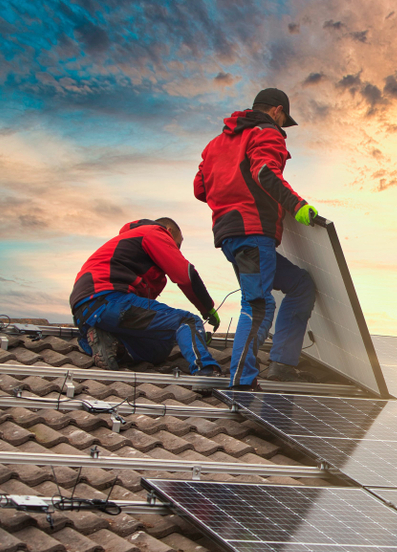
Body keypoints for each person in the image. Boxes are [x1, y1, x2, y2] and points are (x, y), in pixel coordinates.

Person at [194, 88, 319, 389]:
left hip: (229, 235)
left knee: (301, 285)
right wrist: (297, 205)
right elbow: (265, 171)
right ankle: (241, 379)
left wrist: (230, 188)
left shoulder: (216, 143)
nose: (282, 126)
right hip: (252, 231)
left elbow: (200, 188)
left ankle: (282, 364)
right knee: (259, 305)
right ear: (277, 111)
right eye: (283, 120)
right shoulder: (267, 132)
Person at [70, 218, 222, 375]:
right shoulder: (154, 232)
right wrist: (207, 309)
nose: (177, 250)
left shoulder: (129, 246)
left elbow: (144, 313)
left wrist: (193, 338)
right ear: (169, 231)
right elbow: (186, 276)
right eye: (177, 245)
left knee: (159, 349)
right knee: (188, 321)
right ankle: (205, 370)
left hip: (85, 311)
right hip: (109, 298)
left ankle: (114, 347)